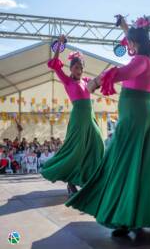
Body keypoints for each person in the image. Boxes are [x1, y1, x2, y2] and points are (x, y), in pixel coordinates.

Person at [66, 15, 150, 236]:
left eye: (131, 42)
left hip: (135, 120)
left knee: (128, 165)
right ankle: (133, 216)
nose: (128, 45)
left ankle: (127, 217)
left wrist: (95, 81)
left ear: (137, 43)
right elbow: (132, 40)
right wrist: (125, 26)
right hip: (138, 117)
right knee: (140, 167)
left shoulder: (141, 61)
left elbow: (121, 73)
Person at [41, 35, 104, 195]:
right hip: (78, 118)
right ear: (71, 68)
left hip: (90, 116)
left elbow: (98, 82)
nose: (79, 70)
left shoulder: (86, 81)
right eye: (76, 68)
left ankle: (91, 179)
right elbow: (54, 65)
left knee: (98, 144)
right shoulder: (68, 81)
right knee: (75, 150)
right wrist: (60, 44)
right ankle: (70, 182)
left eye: (81, 68)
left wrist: (108, 77)